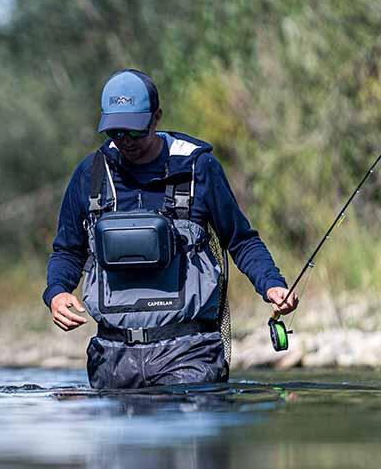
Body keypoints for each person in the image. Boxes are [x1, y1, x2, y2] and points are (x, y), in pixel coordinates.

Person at [44, 69, 298, 389]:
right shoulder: (89, 175)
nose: (125, 142)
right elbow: (68, 250)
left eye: (135, 131)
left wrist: (272, 285)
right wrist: (56, 292)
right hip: (111, 359)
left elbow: (241, 240)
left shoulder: (198, 168)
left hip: (189, 355)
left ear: (157, 118)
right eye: (116, 133)